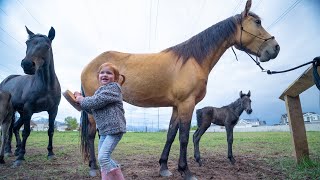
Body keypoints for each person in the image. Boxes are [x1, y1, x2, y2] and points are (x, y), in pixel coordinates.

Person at [75, 62, 126, 180]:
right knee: (104, 158)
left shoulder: (114, 88)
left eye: (109, 73)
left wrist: (82, 99)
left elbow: (95, 101)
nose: (105, 75)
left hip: (114, 129)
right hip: (104, 130)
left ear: (115, 78)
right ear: (98, 76)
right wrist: (79, 102)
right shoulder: (100, 91)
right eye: (102, 72)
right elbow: (93, 109)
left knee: (103, 158)